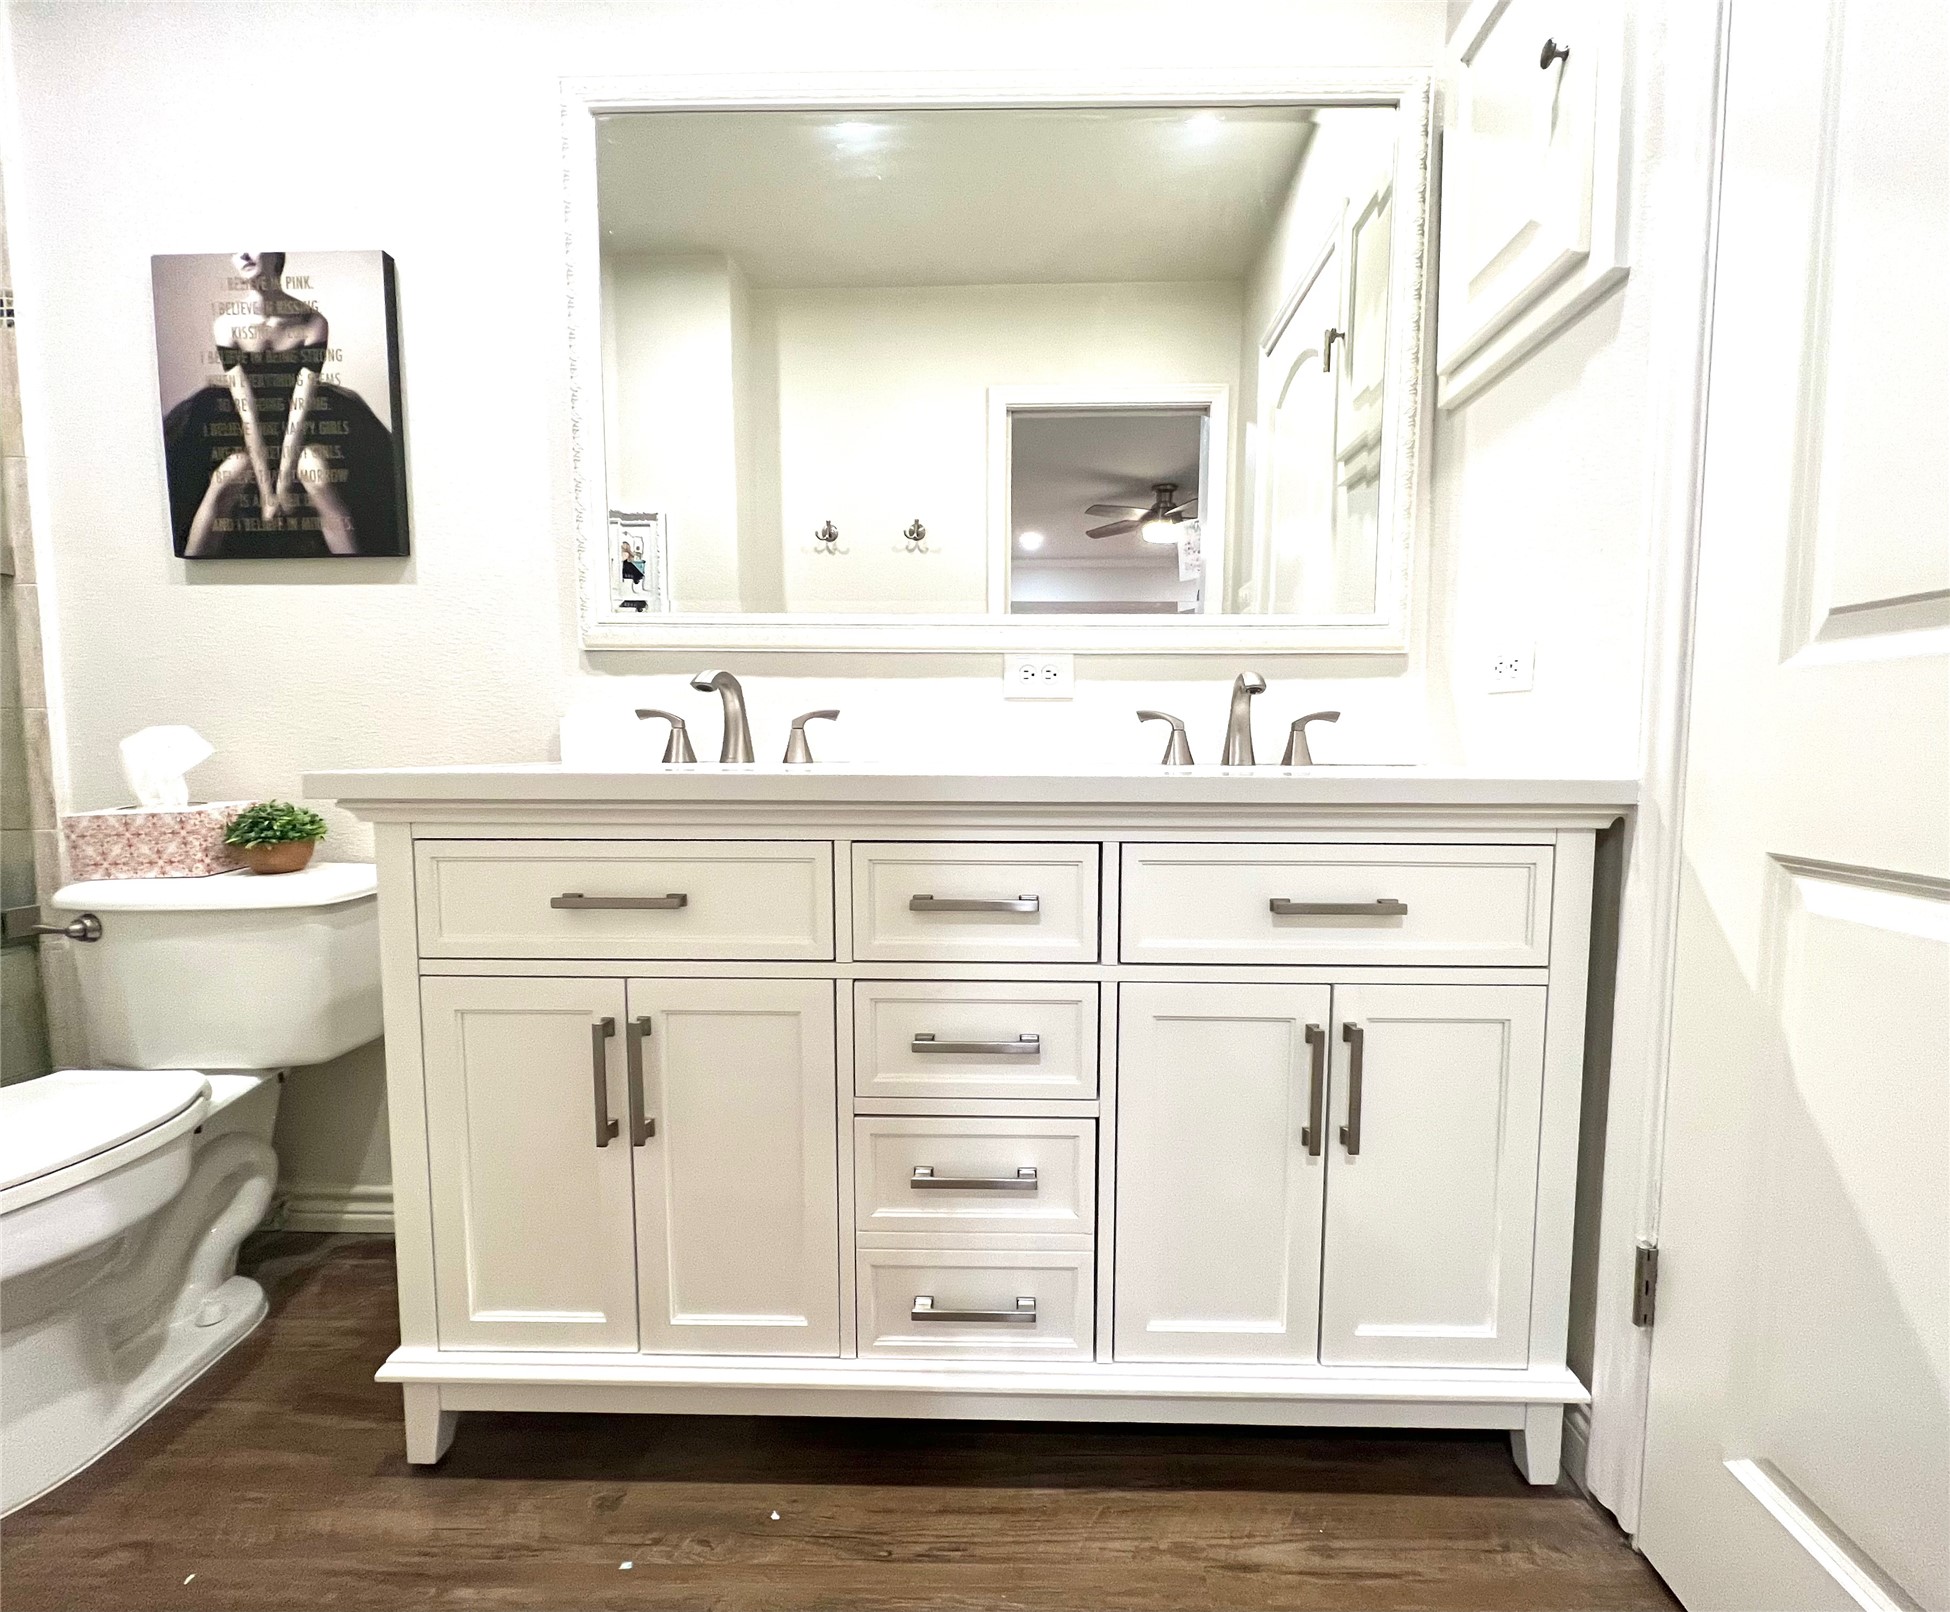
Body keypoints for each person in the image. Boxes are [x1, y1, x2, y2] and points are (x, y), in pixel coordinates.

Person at [164, 252, 402, 557]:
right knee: (228, 475)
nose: (244, 254)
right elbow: (246, 412)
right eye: (237, 249)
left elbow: (299, 412)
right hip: (241, 427)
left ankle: (365, 582)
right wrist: (266, 492)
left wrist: (284, 485)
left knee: (315, 473)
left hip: (306, 424)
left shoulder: (313, 322)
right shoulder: (226, 325)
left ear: (276, 255)